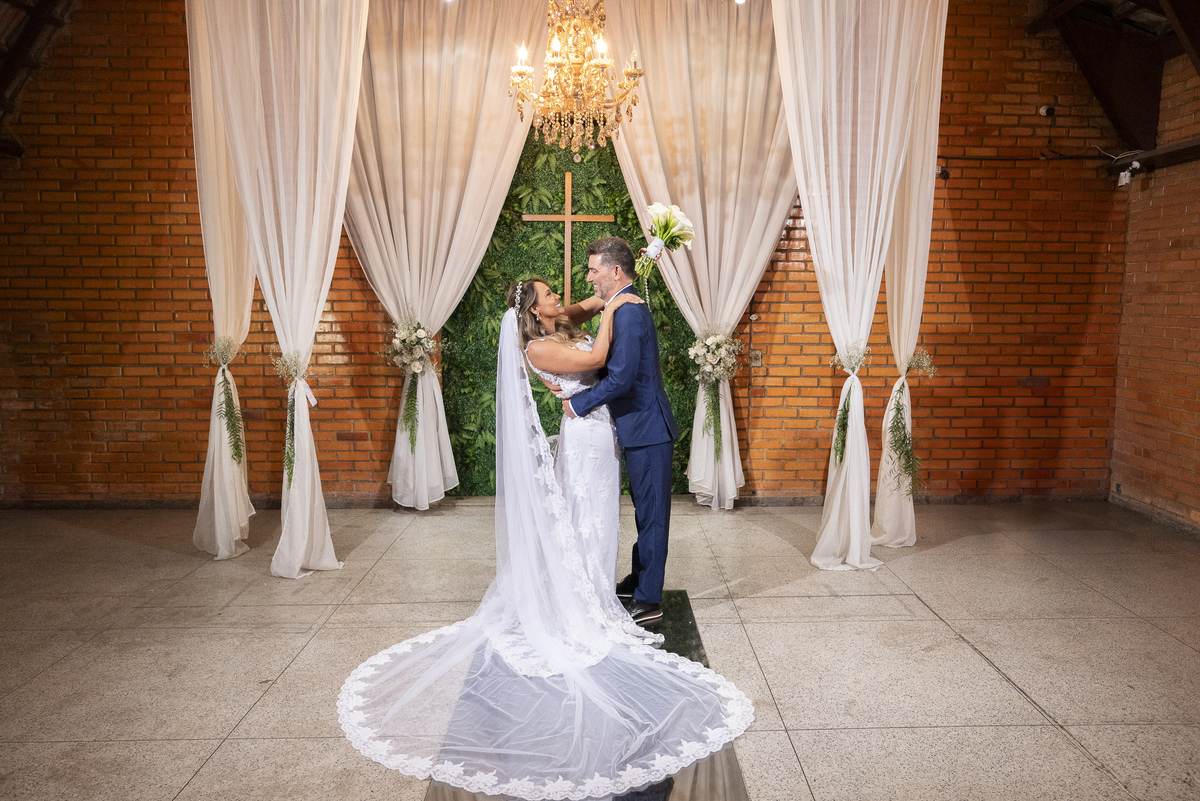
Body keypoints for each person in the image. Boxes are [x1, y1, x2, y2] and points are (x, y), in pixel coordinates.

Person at [338, 276, 751, 801]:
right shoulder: (540, 345)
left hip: (599, 436)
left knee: (595, 522)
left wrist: (635, 272)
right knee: (586, 521)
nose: (561, 296)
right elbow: (602, 355)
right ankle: (581, 601)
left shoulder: (558, 325)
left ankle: (593, 587)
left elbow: (592, 302)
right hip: (585, 440)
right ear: (533, 310)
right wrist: (615, 309)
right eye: (550, 294)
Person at [564, 237, 679, 627]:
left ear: (615, 271)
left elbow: (622, 377)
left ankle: (648, 598)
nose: (589, 276)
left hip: (647, 428)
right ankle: (638, 578)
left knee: (652, 515)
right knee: (645, 512)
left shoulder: (628, 313)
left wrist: (578, 403)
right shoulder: (620, 306)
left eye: (594, 269)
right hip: (638, 427)